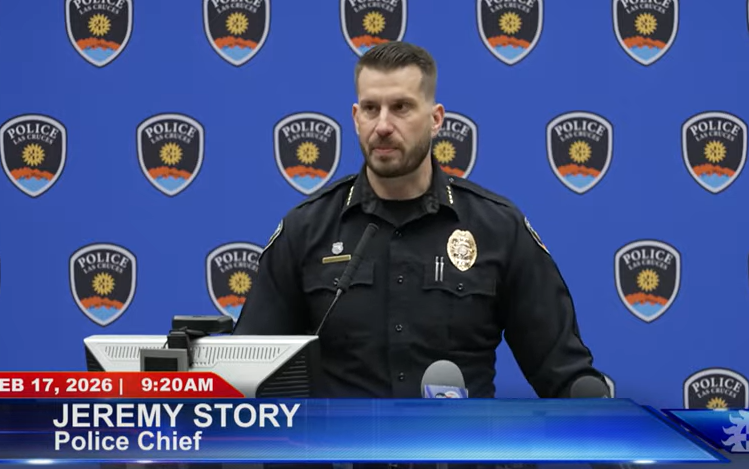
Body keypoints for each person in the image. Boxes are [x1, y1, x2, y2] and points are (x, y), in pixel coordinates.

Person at [234, 41, 605, 401]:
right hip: (343, 459)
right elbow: (245, 377)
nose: (382, 125)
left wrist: (600, 419)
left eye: (401, 107)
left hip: (459, 457)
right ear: (355, 117)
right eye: (370, 108)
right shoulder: (306, 229)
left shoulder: (498, 228)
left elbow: (565, 375)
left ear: (435, 119)